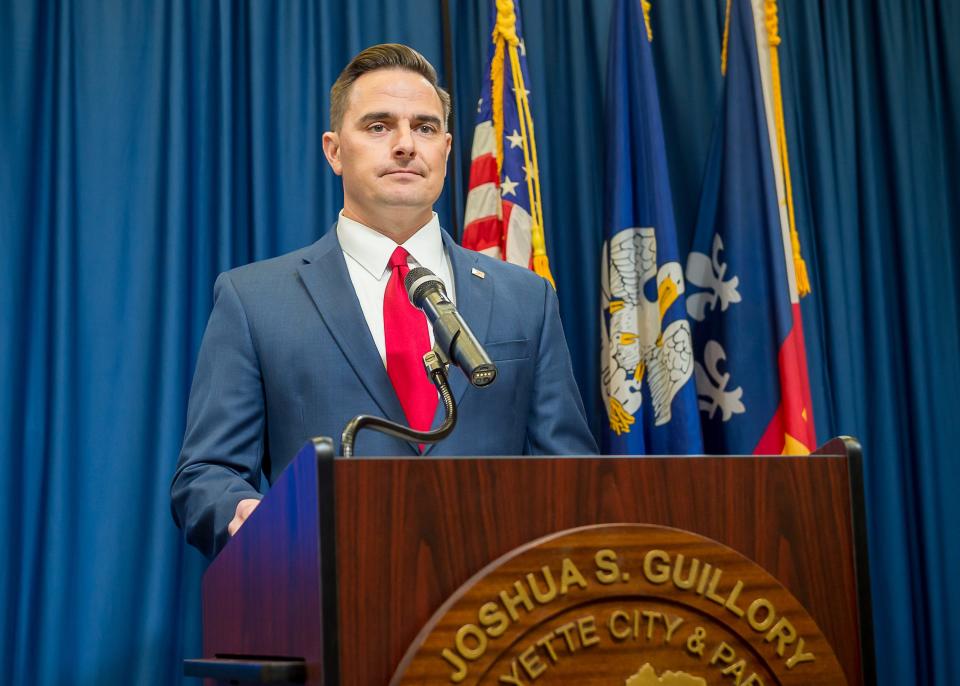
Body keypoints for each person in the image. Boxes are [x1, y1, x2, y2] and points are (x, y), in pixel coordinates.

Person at [171, 44, 597, 558]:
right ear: (333, 150)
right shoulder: (254, 300)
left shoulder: (527, 297)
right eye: (378, 126)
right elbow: (206, 475)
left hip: (495, 610)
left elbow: (572, 474)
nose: (404, 145)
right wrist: (240, 512)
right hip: (327, 600)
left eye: (424, 127)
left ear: (445, 147)